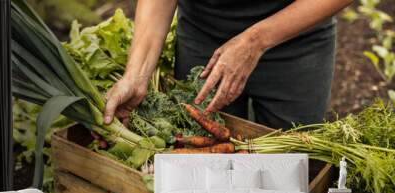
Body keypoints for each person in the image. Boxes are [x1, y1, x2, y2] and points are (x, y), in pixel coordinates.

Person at [103, 0, 353, 130]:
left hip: (297, 40)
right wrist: (136, 74)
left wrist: (255, 41)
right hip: (204, 38)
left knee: (295, 162)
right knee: (205, 158)